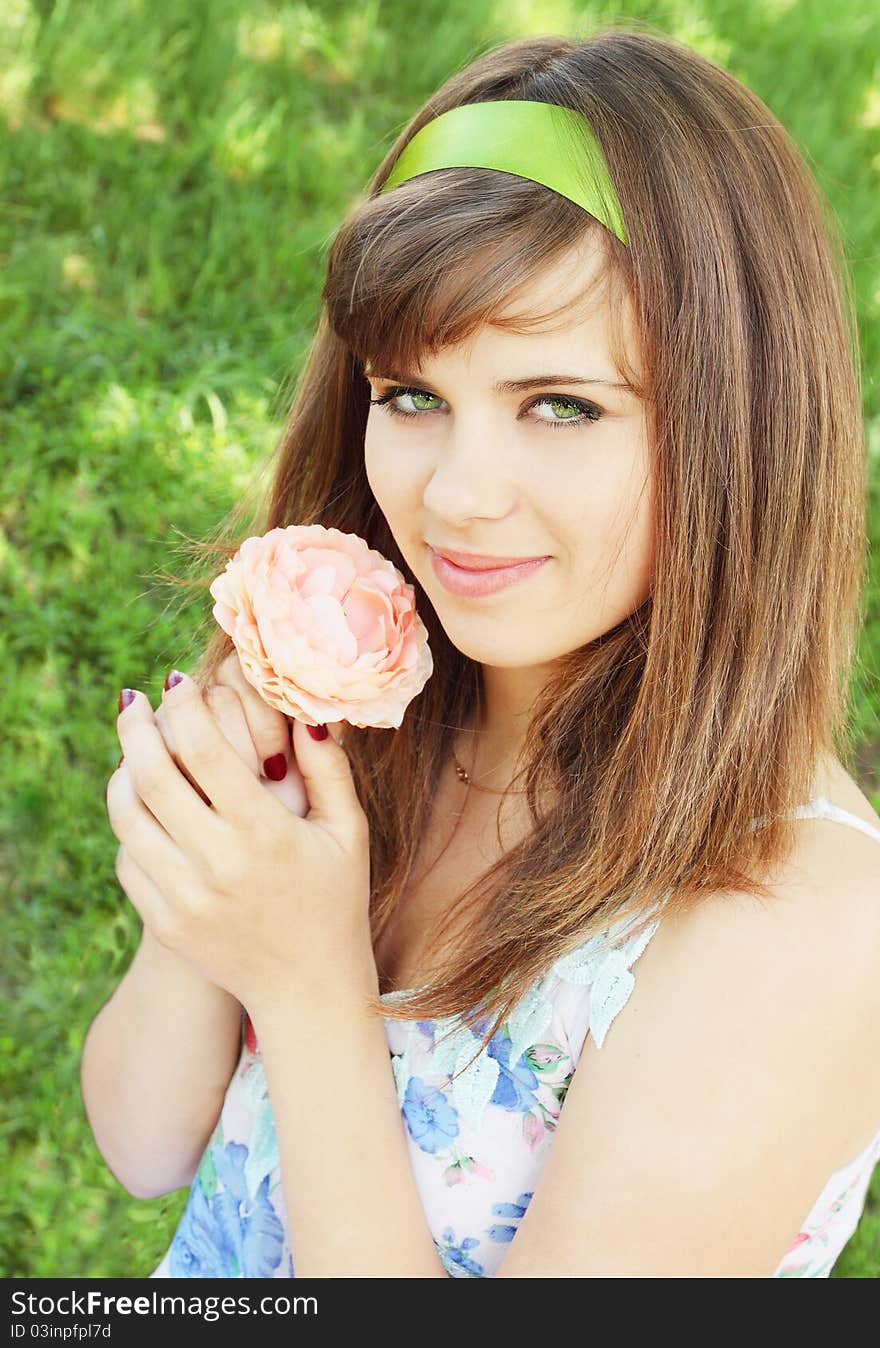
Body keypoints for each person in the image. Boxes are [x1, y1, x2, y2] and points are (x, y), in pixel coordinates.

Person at [80, 25, 880, 1278]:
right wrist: (202, 896)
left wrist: (305, 984)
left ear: (738, 427)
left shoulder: (796, 929)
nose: (455, 496)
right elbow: (141, 1143)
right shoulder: (372, 712)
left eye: (560, 405)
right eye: (411, 396)